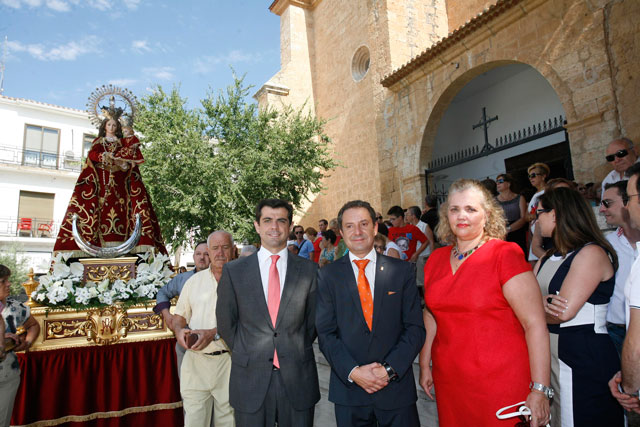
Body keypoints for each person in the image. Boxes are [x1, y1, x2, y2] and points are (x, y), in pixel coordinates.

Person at [420, 179, 551, 426]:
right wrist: (425, 362)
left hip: (500, 381)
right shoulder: (435, 260)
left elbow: (534, 324)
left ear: (487, 214)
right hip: (449, 379)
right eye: (454, 209)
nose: (461, 216)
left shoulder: (505, 254)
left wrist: (540, 389)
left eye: (471, 209)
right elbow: (431, 312)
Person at [316, 200, 425, 427]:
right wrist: (354, 372)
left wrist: (388, 370)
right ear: (341, 232)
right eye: (349, 226)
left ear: (375, 228)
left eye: (364, 224)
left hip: (396, 390)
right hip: (350, 393)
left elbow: (414, 327)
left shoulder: (402, 271)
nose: (357, 232)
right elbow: (326, 333)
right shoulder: (328, 276)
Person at [217, 199, 319, 426]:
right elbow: (226, 323)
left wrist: (289, 347)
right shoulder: (234, 272)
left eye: (281, 220)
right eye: (268, 220)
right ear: (257, 226)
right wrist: (249, 350)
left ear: (290, 225)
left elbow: (312, 323)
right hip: (250, 379)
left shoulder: (309, 271)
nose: (274, 227)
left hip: (297, 378)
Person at [535, 187, 623, 425]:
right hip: (550, 354)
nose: (536, 219)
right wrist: (536, 307)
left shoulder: (591, 253)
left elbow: (562, 313)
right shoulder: (546, 257)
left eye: (540, 212)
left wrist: (531, 310)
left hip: (581, 355)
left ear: (556, 214)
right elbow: (534, 305)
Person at [53, 115, 167, 257]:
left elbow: (130, 159)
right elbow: (92, 155)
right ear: (104, 127)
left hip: (120, 185)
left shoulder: (121, 143)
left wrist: (123, 162)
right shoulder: (99, 142)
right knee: (98, 211)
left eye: (114, 125)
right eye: (109, 125)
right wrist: (104, 156)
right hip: (101, 182)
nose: (112, 128)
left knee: (123, 211)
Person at [172, 232, 235, 427]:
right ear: (208, 252)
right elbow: (179, 317)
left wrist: (213, 333)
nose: (220, 253)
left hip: (230, 362)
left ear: (233, 250)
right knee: (195, 422)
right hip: (196, 362)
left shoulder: (243, 283)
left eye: (225, 247)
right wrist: (179, 331)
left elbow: (247, 322)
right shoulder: (193, 283)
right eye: (215, 248)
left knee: (228, 422)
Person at [154, 241, 210, 381]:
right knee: (188, 388)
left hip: (211, 342)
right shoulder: (182, 279)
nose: (202, 257)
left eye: (206, 254)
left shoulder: (221, 278)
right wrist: (167, 316)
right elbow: (162, 293)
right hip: (186, 341)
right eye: (198, 254)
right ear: (193, 257)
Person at [609, 163, 640, 413]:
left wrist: (628, 388)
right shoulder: (606, 244)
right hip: (617, 330)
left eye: (629, 198)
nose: (627, 207)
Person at [600, 181, 640, 355]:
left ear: (627, 202)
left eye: (607, 203)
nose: (602, 209)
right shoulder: (606, 245)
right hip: (616, 333)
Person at [1, 264, 41, 427]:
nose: (9, 284)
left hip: (7, 376)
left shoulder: (14, 306)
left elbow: (33, 325)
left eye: (8, 280)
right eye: (3, 281)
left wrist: (27, 343)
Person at [496, 173, 528, 255]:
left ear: (509, 183)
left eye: (500, 181)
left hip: (518, 232)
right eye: (497, 181)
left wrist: (509, 229)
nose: (497, 183)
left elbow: (523, 218)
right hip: (502, 234)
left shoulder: (520, 198)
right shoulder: (494, 200)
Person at [527, 162, 550, 263]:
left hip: (545, 233)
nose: (531, 178)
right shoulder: (534, 194)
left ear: (543, 176)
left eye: (533, 175)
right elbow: (527, 216)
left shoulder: (548, 191)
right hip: (534, 234)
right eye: (529, 176)